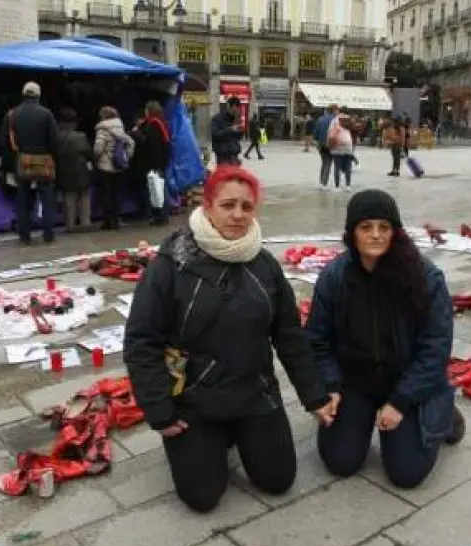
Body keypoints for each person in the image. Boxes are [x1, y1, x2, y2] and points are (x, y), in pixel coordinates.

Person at [124, 165, 337, 512]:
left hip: (254, 393)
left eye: (246, 206)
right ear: (208, 207)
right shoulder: (170, 265)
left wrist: (314, 395)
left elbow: (289, 335)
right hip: (194, 400)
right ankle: (207, 440)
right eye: (228, 205)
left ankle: (239, 434)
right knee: (203, 498)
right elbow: (141, 340)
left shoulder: (264, 265)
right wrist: (159, 410)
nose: (238, 215)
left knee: (278, 480)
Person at [306, 189, 465, 488]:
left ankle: (443, 415)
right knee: (340, 461)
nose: (376, 235)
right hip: (356, 381)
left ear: (395, 232)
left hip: (406, 381)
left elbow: (435, 347)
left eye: (384, 227)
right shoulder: (335, 277)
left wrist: (401, 401)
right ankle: (360, 418)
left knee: (406, 473)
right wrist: (331, 385)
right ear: (352, 233)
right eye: (366, 227)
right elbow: (317, 340)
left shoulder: (425, 278)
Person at [2, 82, 60, 244]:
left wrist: (9, 164)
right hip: (43, 160)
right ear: (38, 96)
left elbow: (5, 141)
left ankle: (24, 235)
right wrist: (50, 156)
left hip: (22, 160)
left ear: (23, 95)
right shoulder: (46, 114)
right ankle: (48, 234)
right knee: (47, 197)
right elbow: (55, 141)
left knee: (23, 197)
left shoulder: (12, 115)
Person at [130, 100, 172, 226]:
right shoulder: (161, 123)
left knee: (158, 190)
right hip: (161, 161)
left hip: (155, 162)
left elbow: (150, 143)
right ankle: (162, 215)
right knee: (160, 188)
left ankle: (161, 216)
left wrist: (136, 133)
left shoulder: (153, 124)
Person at [93, 106, 135, 231]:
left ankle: (108, 222)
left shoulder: (102, 130)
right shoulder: (120, 128)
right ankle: (116, 220)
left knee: (106, 195)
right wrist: (126, 157)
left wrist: (96, 158)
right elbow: (131, 143)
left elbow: (98, 149)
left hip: (105, 166)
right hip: (118, 166)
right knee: (116, 194)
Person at [55, 107, 93, 232]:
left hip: (63, 171)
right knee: (84, 197)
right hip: (80, 170)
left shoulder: (56, 137)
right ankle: (85, 223)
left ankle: (70, 225)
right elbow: (88, 153)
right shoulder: (80, 136)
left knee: (68, 198)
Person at [211, 97, 243, 165]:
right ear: (228, 106)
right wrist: (230, 129)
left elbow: (239, 137)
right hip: (223, 157)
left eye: (237, 108)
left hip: (234, 156)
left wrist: (238, 124)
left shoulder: (236, 119)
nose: (235, 111)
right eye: (233, 108)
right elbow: (215, 134)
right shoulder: (217, 118)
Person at [313, 105, 339, 188]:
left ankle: (321, 182)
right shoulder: (335, 120)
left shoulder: (321, 119)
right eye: (337, 110)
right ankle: (324, 184)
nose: (338, 112)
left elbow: (315, 134)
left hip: (321, 144)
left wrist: (317, 142)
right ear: (334, 110)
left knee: (324, 163)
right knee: (328, 164)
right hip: (330, 144)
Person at [329, 113, 355, 192]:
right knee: (348, 168)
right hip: (348, 148)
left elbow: (331, 136)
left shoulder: (335, 123)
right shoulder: (349, 124)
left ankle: (337, 186)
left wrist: (330, 146)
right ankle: (348, 186)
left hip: (337, 149)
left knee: (337, 167)